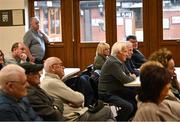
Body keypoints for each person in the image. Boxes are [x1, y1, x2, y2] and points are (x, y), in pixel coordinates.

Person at [40, 57, 115, 121]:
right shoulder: (52, 82)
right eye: (61, 65)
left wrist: (76, 101)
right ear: (53, 68)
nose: (64, 67)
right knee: (107, 110)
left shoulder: (49, 81)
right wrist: (76, 101)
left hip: (74, 113)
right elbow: (80, 99)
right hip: (74, 117)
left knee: (108, 119)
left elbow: (78, 100)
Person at [98, 41, 137, 121]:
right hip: (107, 94)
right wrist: (132, 77)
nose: (127, 54)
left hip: (116, 90)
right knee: (128, 107)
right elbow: (126, 79)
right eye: (125, 51)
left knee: (137, 97)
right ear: (118, 53)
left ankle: (128, 119)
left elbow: (129, 74)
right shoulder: (113, 63)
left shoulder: (120, 61)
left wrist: (130, 76)